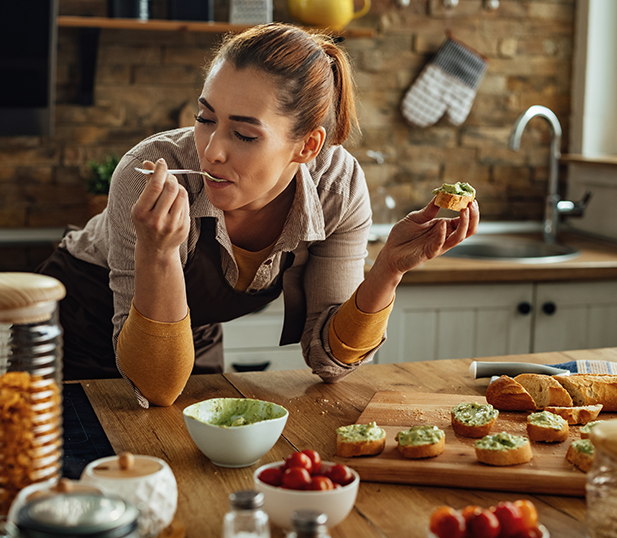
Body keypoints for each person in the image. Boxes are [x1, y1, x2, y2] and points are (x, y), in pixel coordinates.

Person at [37, 23, 479, 407]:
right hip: (83, 320)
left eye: (244, 134)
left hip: (191, 328)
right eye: (205, 118)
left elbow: (329, 361)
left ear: (307, 146)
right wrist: (157, 253)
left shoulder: (335, 189)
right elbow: (153, 386)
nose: (212, 151)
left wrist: (386, 270)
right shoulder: (151, 172)